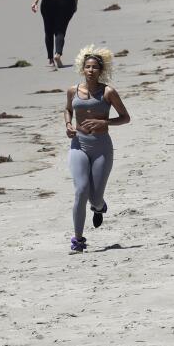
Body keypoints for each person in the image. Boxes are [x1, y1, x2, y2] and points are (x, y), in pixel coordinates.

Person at [64, 47, 131, 253]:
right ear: (82, 69)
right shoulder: (72, 91)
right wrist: (68, 124)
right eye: (87, 67)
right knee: (81, 190)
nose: (91, 70)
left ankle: (99, 207)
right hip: (79, 146)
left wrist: (106, 123)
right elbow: (68, 109)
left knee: (94, 198)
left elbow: (125, 117)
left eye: (95, 67)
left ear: (101, 70)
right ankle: (78, 240)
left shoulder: (108, 92)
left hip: (101, 148)